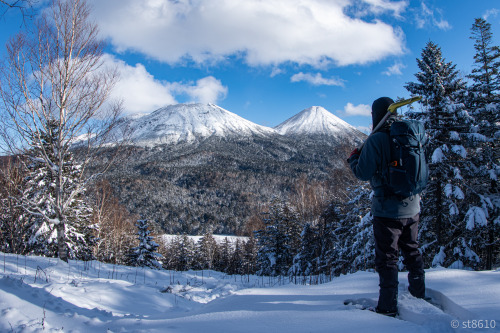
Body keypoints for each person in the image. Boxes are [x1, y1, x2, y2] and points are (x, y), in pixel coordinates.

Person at [347, 97, 426, 317]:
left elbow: (362, 172)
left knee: (388, 258)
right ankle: (419, 293)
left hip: (387, 210)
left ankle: (388, 306)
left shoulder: (377, 139)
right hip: (412, 207)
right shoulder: (408, 135)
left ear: (375, 115)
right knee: (412, 250)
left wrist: (354, 158)